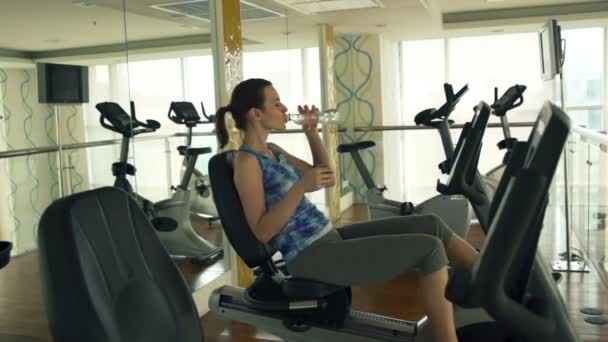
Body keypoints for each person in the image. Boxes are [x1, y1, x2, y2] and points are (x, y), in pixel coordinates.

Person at [214, 78, 480, 342]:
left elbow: (326, 175)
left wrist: (311, 132)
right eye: (276, 103)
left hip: (327, 238)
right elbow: (261, 231)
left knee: (430, 223)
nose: (284, 108)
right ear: (256, 114)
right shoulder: (247, 161)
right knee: (429, 248)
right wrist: (300, 188)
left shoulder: (273, 150)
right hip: (309, 255)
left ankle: (489, 285)